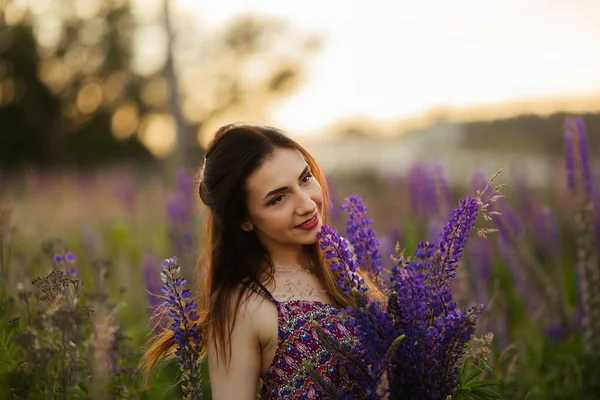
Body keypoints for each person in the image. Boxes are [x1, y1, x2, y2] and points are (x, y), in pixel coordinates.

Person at [141, 123, 376, 399]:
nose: (308, 204)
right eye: (278, 198)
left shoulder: (339, 257)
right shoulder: (243, 306)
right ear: (244, 219)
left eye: (305, 178)